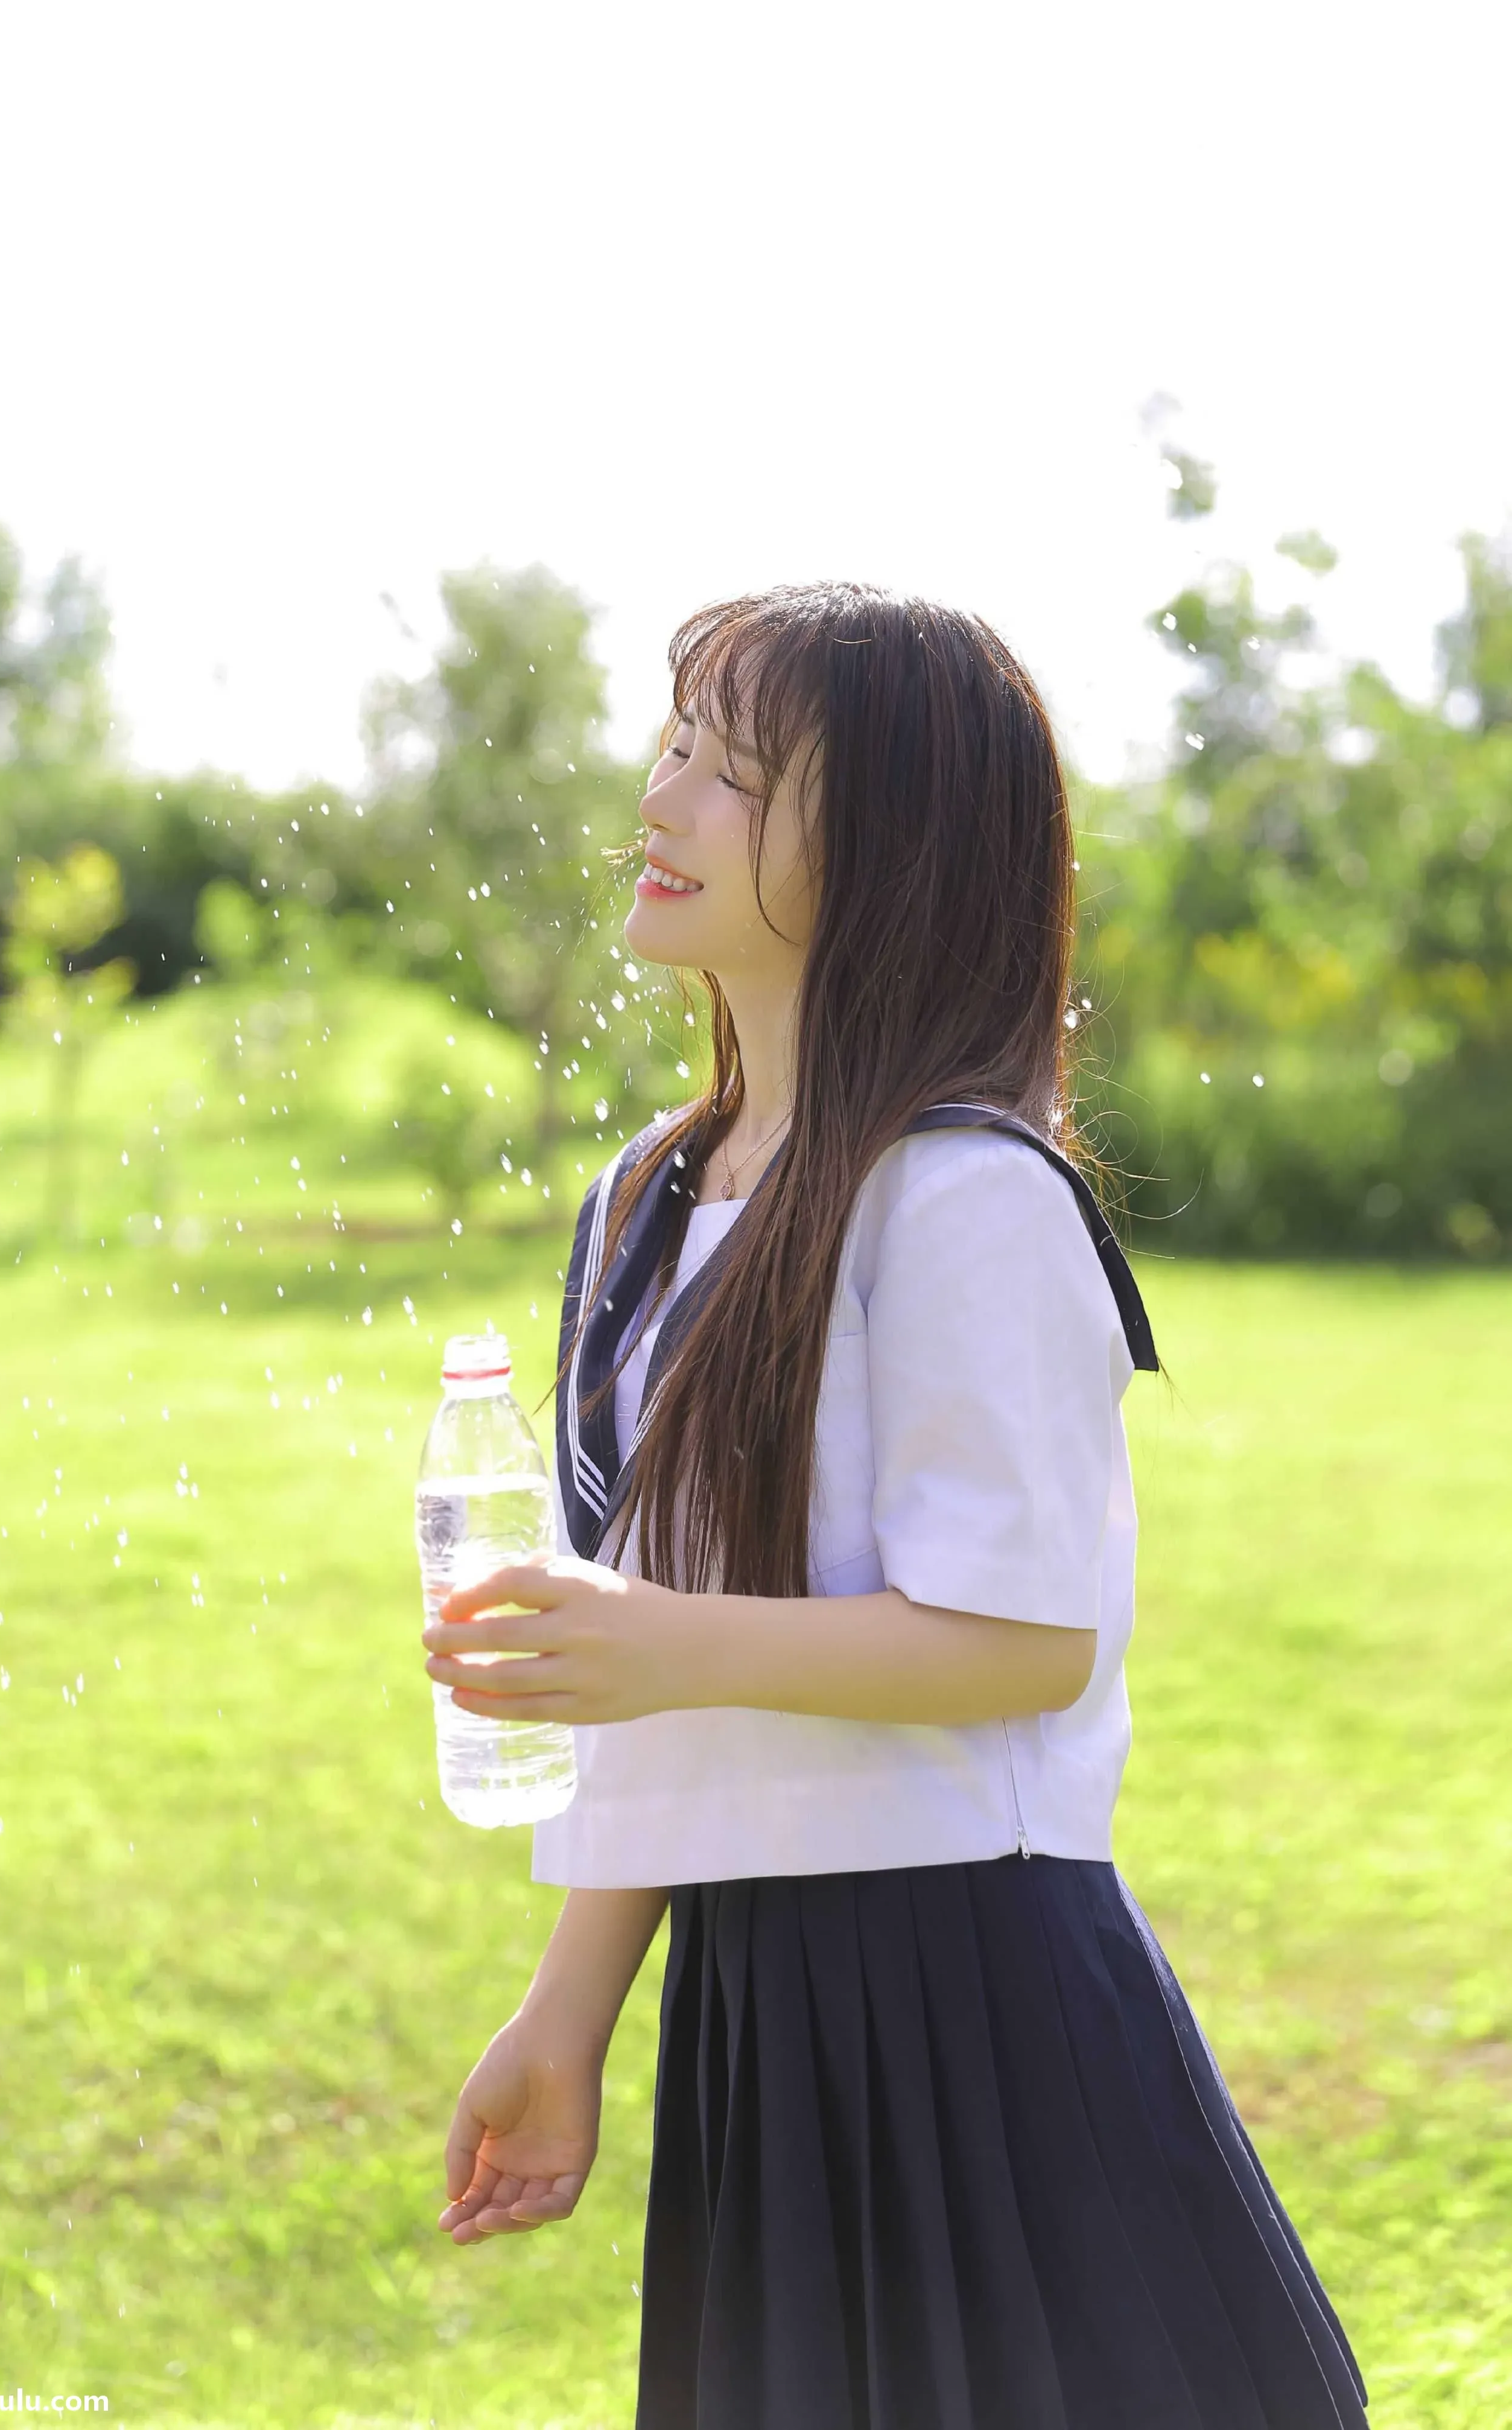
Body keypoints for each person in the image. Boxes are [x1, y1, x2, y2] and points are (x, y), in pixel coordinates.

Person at [421, 584, 1371, 2429]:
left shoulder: (965, 1195)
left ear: (890, 848)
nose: (663, 800)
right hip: (752, 2003)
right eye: (675, 747)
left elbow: (1019, 1640)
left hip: (975, 1999)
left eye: (734, 772)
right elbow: (673, 1673)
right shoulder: (646, 1203)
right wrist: (569, 2010)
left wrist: (656, 1643)